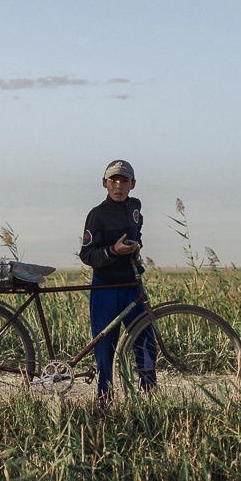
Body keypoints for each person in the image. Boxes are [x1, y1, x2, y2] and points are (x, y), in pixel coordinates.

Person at [78, 159, 156, 401]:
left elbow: (137, 229)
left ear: (133, 184)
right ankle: (105, 401)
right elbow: (86, 254)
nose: (118, 186)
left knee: (146, 342)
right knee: (105, 350)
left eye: (124, 180)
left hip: (132, 286)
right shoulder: (97, 215)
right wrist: (113, 251)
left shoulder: (135, 207)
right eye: (113, 180)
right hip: (106, 287)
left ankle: (149, 398)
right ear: (105, 183)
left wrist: (136, 245)